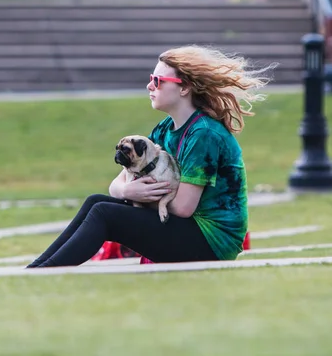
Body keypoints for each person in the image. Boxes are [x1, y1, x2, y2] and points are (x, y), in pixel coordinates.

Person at [27, 45, 275, 268]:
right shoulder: (164, 129)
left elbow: (183, 208)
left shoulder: (204, 134)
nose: (149, 86)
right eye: (150, 79)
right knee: (96, 201)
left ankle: (43, 274)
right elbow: (118, 183)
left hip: (209, 241)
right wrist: (128, 193)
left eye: (157, 81)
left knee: (105, 213)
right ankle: (36, 270)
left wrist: (145, 195)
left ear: (184, 88)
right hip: (183, 227)